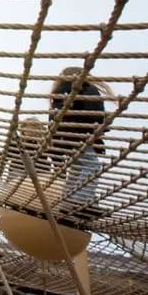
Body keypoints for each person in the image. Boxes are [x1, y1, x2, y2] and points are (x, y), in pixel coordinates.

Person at [49, 66, 113, 219]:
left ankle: (67, 203)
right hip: (80, 136)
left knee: (77, 170)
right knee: (93, 166)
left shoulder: (57, 96)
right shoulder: (87, 89)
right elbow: (94, 114)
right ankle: (81, 202)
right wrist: (103, 121)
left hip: (65, 140)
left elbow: (52, 122)